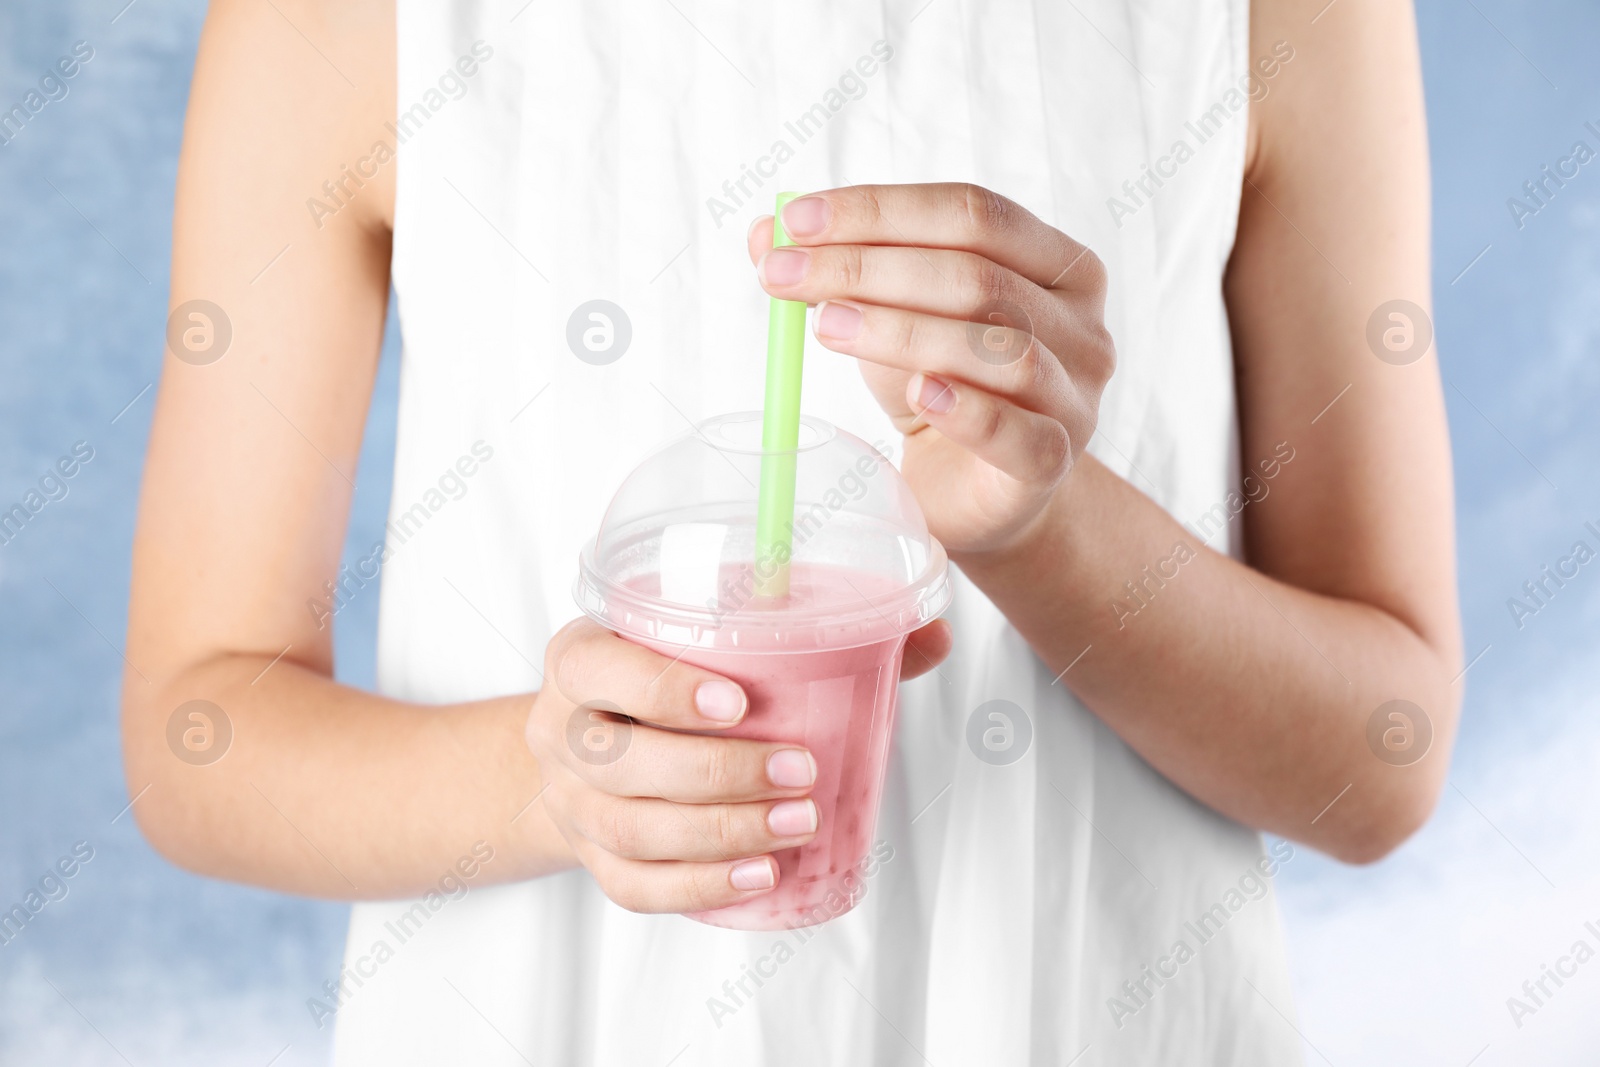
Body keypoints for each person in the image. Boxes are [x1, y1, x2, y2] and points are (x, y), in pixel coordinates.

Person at [122, 0, 1460, 1062]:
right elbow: (199, 726)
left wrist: (1044, 531)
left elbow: (1380, 759)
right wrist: (555, 784)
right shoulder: (339, 23)